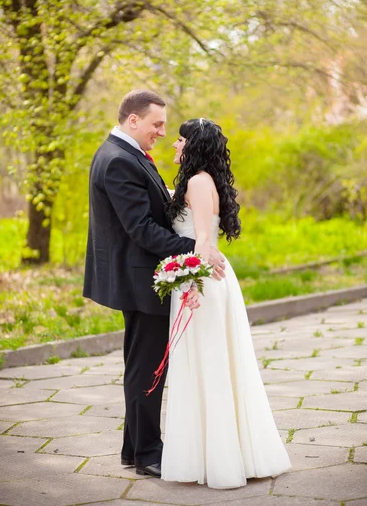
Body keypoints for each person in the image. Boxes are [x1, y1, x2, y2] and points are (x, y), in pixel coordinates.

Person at [83, 91, 225, 479]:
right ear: (133, 120)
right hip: (142, 279)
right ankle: (147, 453)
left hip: (143, 276)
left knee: (141, 366)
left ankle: (134, 449)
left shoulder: (125, 155)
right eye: (156, 124)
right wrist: (197, 251)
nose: (162, 132)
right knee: (147, 369)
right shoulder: (117, 161)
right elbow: (141, 229)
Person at [161, 118, 291, 489]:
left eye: (181, 139)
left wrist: (190, 287)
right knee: (209, 365)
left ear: (194, 145)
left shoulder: (199, 182)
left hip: (203, 280)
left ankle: (219, 461)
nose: (174, 144)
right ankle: (218, 454)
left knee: (210, 366)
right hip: (205, 276)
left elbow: (203, 239)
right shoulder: (200, 180)